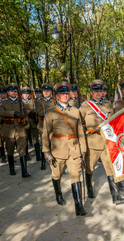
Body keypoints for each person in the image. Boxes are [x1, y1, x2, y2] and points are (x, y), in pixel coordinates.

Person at [42, 81, 88, 216]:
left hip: (74, 147)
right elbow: (45, 133)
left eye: (66, 93)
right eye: (62, 94)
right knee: (57, 174)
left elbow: (80, 131)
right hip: (58, 149)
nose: (65, 96)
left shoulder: (75, 111)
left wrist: (83, 148)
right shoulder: (50, 112)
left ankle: (78, 206)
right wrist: (46, 150)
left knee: (76, 175)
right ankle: (58, 194)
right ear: (56, 96)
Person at [80, 79, 124, 204]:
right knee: (90, 168)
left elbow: (113, 121)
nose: (98, 93)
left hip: (107, 141)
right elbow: (78, 123)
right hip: (92, 142)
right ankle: (89, 188)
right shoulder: (85, 106)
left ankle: (115, 195)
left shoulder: (107, 105)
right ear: (91, 93)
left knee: (110, 168)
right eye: (95, 91)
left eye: (100, 91)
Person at [0, 83, 31, 178]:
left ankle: (24, 171)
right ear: (8, 92)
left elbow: (26, 115)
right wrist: (13, 113)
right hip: (9, 130)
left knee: (22, 150)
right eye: (12, 91)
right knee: (10, 150)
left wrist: (25, 121)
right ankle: (11, 168)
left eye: (15, 91)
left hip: (20, 129)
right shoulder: (3, 102)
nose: (14, 93)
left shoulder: (21, 102)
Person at [36, 83, 55, 170]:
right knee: (44, 143)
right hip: (43, 125)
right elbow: (40, 112)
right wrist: (53, 110)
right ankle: (43, 162)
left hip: (54, 126)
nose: (46, 92)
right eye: (44, 91)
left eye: (48, 91)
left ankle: (55, 162)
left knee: (55, 144)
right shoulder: (39, 101)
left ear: (51, 92)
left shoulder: (55, 100)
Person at [22, 87, 41, 161]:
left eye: (27, 93)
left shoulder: (34, 102)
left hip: (34, 122)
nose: (26, 95)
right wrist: (30, 112)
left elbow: (38, 110)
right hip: (25, 123)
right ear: (22, 95)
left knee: (36, 140)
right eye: (24, 94)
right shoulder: (20, 103)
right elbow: (23, 111)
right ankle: (26, 154)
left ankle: (38, 155)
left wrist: (36, 115)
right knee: (25, 140)